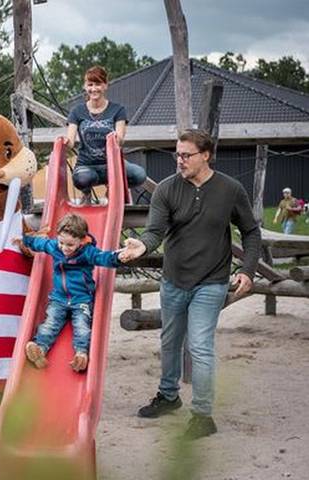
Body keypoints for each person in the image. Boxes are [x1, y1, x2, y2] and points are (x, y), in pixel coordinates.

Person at [120, 129, 260, 440]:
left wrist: (248, 270)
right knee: (169, 342)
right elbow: (155, 231)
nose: (179, 160)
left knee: (199, 346)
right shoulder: (167, 189)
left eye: (186, 155)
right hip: (173, 280)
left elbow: (251, 232)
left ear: (206, 155)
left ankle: (202, 416)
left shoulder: (230, 190)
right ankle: (169, 396)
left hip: (211, 282)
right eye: (177, 154)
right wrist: (142, 247)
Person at [16, 213, 123, 372]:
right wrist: (24, 240)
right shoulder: (55, 247)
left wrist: (119, 257)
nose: (65, 248)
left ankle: (81, 354)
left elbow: (103, 257)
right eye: (61, 243)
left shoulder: (88, 252)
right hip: (58, 299)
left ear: (81, 240)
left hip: (81, 300)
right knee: (50, 323)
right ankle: (40, 349)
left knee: (81, 327)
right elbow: (40, 243)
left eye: (70, 245)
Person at [65, 65, 147, 204]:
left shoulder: (117, 110)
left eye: (98, 84)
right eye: (90, 84)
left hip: (112, 165)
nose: (94, 88)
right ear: (85, 86)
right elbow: (71, 140)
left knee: (139, 175)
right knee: (82, 179)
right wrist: (65, 142)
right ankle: (86, 193)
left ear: (105, 86)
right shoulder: (77, 111)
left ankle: (113, 189)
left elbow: (120, 140)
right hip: (87, 165)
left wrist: (116, 137)